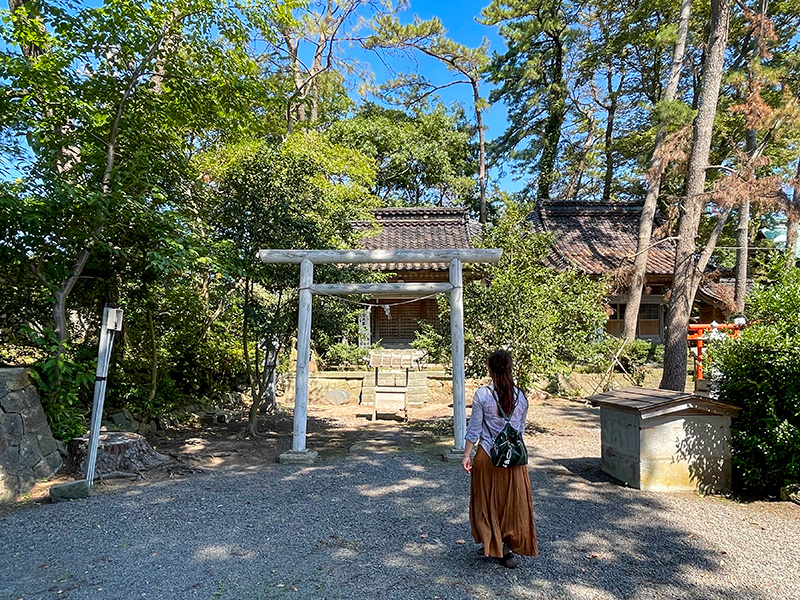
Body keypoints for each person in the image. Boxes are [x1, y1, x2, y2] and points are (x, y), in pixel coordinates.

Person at [462, 350, 538, 568]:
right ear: (510, 368)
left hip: (488, 456)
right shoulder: (521, 396)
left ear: (490, 369)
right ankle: (504, 545)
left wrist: (467, 455)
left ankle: (494, 543)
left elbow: (474, 430)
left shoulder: (483, 395)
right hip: (514, 460)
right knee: (511, 503)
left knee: (486, 502)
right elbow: (520, 430)